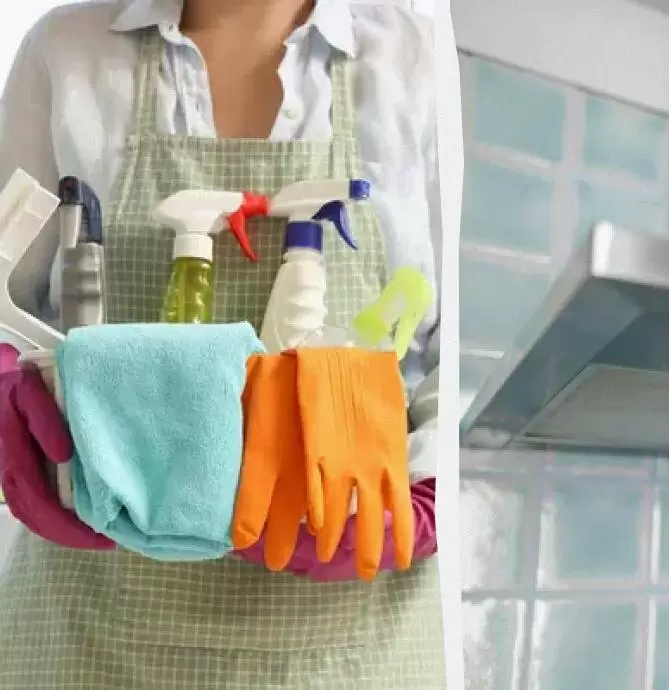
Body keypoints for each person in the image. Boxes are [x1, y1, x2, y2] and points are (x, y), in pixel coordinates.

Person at [0, 0, 459, 686]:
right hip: (91, 620)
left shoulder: (416, 58)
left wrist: (434, 491)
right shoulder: (65, 50)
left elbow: (470, 337)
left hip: (354, 627)